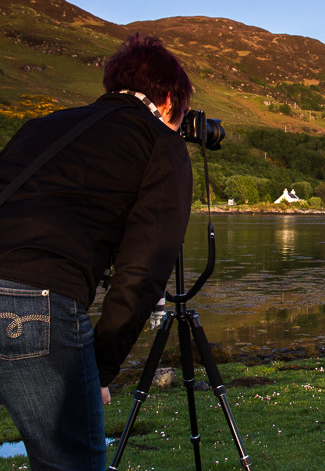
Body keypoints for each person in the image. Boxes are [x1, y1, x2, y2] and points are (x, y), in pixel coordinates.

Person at [0, 34, 193, 470]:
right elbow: (143, 270)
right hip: (33, 303)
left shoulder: (42, 126)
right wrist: (100, 370)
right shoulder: (160, 142)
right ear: (168, 99)